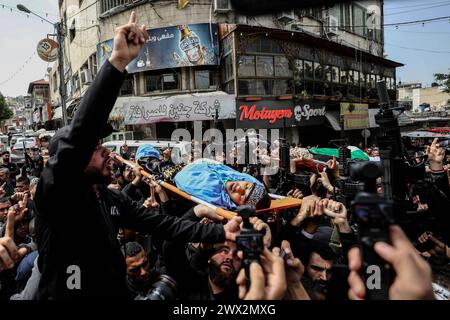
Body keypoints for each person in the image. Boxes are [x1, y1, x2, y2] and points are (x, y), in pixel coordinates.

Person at [33, 12, 241, 300]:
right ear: (71, 160)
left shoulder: (107, 198)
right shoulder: (57, 197)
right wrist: (117, 63)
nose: (107, 150)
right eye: (95, 148)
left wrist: (221, 233)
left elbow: (163, 224)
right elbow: (79, 136)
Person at [172, 159, 271, 210]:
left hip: (186, 171)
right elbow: (256, 184)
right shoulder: (242, 178)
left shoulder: (212, 190)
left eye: (242, 196)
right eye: (246, 186)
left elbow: (181, 177)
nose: (239, 188)